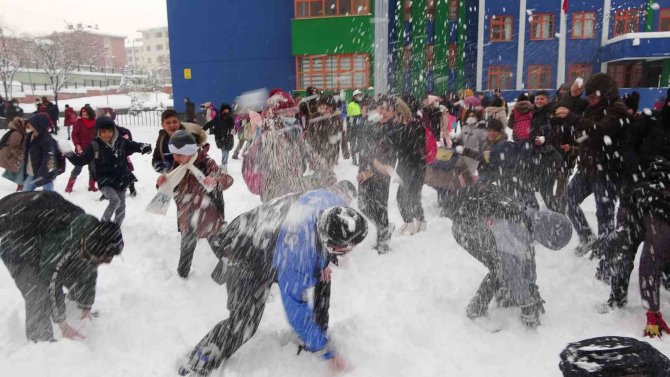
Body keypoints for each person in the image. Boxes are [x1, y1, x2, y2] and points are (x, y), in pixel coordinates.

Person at [178, 189, 367, 376]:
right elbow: (296, 311)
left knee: (322, 276)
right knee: (244, 323)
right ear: (331, 242)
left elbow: (323, 234)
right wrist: (327, 354)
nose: (352, 249)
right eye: (348, 247)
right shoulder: (297, 257)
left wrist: (325, 259)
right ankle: (197, 362)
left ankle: (316, 334)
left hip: (263, 231)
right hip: (243, 253)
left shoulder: (331, 202)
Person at [0, 191, 124, 342]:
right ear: (89, 247)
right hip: (14, 240)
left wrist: (86, 307)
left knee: (78, 266)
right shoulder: (64, 242)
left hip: (37, 230)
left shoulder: (90, 234)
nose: (102, 263)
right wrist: (63, 325)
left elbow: (89, 271)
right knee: (38, 292)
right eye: (102, 259)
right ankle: (41, 343)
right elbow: (51, 280)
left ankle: (72, 308)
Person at [555, 73, 628, 254]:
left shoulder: (616, 108)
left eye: (594, 96)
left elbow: (602, 129)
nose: (591, 99)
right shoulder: (591, 108)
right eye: (589, 96)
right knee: (567, 201)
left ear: (605, 93)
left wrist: (575, 118)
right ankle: (587, 237)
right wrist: (571, 95)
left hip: (608, 170)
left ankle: (605, 251)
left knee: (604, 213)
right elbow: (561, 111)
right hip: (587, 167)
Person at [155, 130, 233, 279]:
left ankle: (231, 265)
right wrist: (161, 183)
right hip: (186, 213)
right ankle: (182, 275)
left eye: (179, 154)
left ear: (190, 151)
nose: (175, 158)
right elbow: (170, 187)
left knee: (216, 242)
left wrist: (215, 180)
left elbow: (227, 180)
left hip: (207, 213)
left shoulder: (206, 163)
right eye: (174, 154)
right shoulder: (177, 166)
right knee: (186, 245)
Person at [66, 117, 152, 225]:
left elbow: (133, 145)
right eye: (103, 132)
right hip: (105, 180)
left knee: (121, 208)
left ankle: (116, 227)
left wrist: (143, 147)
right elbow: (81, 160)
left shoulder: (120, 141)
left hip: (121, 178)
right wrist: (68, 153)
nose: (107, 134)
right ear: (98, 132)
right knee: (115, 201)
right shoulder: (95, 145)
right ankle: (103, 226)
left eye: (110, 131)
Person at [356, 99, 397, 253]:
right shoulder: (372, 125)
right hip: (365, 170)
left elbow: (389, 158)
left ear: (393, 112)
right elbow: (365, 148)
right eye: (381, 108)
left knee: (379, 207)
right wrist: (362, 170)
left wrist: (371, 171)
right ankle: (385, 227)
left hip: (380, 174)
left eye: (387, 109)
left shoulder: (393, 130)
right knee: (363, 205)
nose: (383, 112)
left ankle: (383, 241)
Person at [305, 95, 342, 188]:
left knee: (329, 178)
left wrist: (328, 120)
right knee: (318, 179)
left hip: (330, 154)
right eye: (322, 107)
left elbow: (336, 138)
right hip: (316, 154)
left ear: (332, 108)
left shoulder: (336, 119)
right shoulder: (314, 118)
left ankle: (330, 192)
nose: (324, 110)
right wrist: (313, 155)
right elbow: (309, 137)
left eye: (327, 108)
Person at [22, 113, 60, 192]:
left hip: (44, 174)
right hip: (31, 172)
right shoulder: (29, 136)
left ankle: (51, 203)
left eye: (32, 123)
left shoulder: (46, 140)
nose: (29, 125)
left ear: (38, 125)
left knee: (49, 195)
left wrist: (42, 174)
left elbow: (49, 158)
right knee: (25, 193)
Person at [66, 106, 98, 193]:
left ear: (90, 113)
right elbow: (74, 134)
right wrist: (77, 145)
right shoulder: (78, 122)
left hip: (93, 149)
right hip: (81, 149)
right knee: (77, 168)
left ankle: (91, 186)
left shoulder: (96, 122)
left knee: (93, 168)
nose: (83, 114)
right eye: (82, 112)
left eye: (85, 113)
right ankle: (69, 186)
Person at [203, 103, 235, 172]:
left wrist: (231, 132)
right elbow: (209, 124)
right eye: (225, 111)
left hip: (228, 138)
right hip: (219, 138)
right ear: (222, 111)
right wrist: (201, 130)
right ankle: (224, 165)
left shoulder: (230, 119)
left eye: (228, 112)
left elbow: (232, 128)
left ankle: (224, 166)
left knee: (226, 152)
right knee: (224, 151)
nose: (226, 113)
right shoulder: (217, 118)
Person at [0, 117, 27, 191]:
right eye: (24, 125)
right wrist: (21, 156)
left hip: (9, 154)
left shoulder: (17, 131)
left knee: (19, 168)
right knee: (22, 167)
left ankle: (21, 184)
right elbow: (14, 148)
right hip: (8, 155)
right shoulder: (17, 133)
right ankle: (21, 186)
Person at [347, 90, 364, 165]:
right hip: (353, 125)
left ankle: (361, 159)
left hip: (361, 125)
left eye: (360, 95)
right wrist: (353, 119)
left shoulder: (362, 104)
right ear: (354, 96)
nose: (359, 96)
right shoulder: (351, 104)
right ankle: (354, 159)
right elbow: (348, 116)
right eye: (358, 95)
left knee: (361, 142)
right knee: (353, 142)